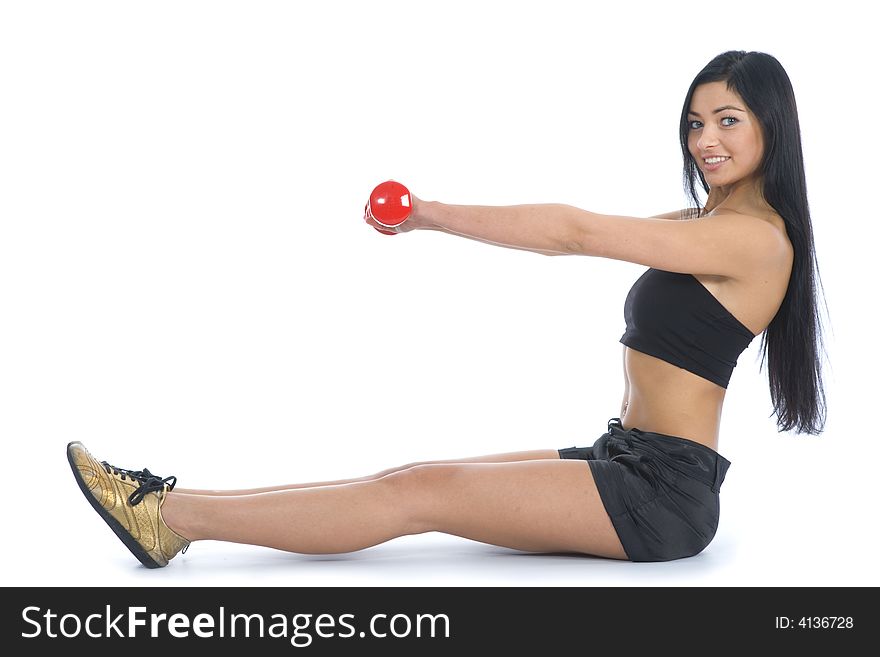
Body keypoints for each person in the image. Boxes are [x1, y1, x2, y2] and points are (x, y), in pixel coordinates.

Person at [67, 50, 827, 567]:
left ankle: (167, 517)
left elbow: (577, 230)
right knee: (415, 473)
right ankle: (169, 503)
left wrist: (428, 210)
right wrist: (428, 219)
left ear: (771, 124)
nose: (705, 139)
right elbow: (562, 241)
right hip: (622, 456)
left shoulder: (756, 242)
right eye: (696, 122)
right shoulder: (702, 228)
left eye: (728, 119)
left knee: (418, 496)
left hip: (662, 497)